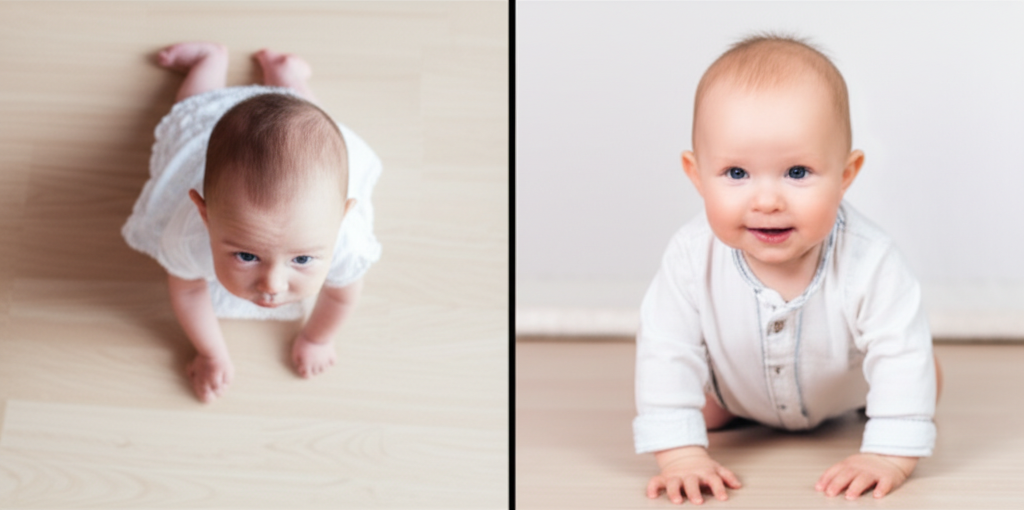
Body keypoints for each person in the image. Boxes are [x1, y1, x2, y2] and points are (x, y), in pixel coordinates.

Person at [634, 34, 941, 503]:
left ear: (845, 176)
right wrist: (682, 456)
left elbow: (898, 352)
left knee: (916, 372)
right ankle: (731, 407)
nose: (767, 201)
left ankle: (893, 395)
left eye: (797, 172)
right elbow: (666, 348)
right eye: (736, 173)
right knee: (688, 401)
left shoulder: (870, 258)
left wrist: (887, 453)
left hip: (842, 391)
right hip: (737, 390)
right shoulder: (689, 258)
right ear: (697, 176)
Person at [123, 42, 381, 403]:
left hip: (303, 146)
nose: (272, 286)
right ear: (205, 214)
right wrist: (211, 352)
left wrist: (317, 337)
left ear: (341, 217)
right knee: (193, 109)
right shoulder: (186, 236)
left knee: (309, 123)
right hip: (211, 130)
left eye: (303, 259)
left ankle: (287, 74)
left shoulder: (343, 240)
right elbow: (188, 290)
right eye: (246, 255)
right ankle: (208, 61)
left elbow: (341, 296)